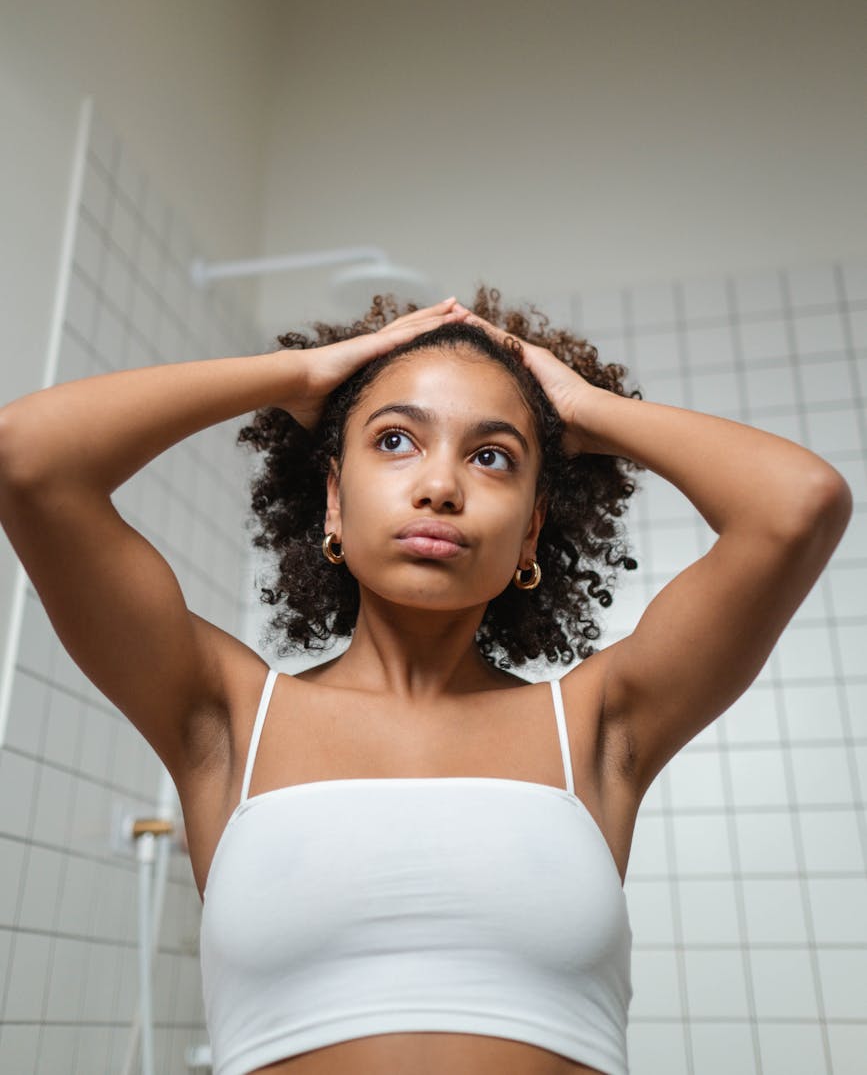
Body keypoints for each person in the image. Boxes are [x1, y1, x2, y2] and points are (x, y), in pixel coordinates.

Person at [0, 289, 851, 1075]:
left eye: (492, 457)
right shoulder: (223, 715)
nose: (440, 486)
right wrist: (301, 378)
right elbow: (30, 459)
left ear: (531, 532)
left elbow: (797, 505)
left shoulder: (598, 725)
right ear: (332, 499)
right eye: (394, 440)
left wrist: (579, 411)